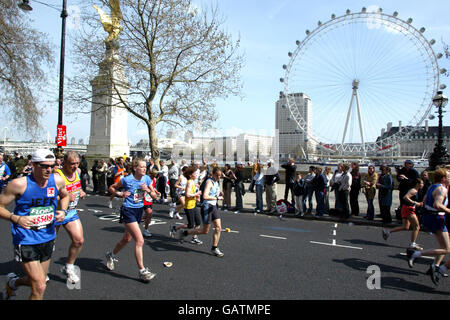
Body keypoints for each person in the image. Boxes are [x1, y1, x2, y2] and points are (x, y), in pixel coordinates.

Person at [0, 149, 69, 300]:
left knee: (39, 281)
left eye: (51, 166)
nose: (49, 170)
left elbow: (65, 195)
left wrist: (63, 211)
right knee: (40, 286)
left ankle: (13, 282)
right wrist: (16, 218)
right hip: (26, 238)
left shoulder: (57, 180)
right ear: (33, 165)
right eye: (44, 166)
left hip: (48, 236)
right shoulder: (19, 184)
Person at [105, 158, 156, 283]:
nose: (144, 169)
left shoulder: (146, 179)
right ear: (135, 168)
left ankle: (111, 255)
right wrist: (120, 194)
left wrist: (148, 190)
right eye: (142, 167)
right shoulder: (126, 180)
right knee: (140, 240)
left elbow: (154, 195)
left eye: (145, 167)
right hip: (128, 210)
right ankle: (142, 271)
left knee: (126, 239)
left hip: (139, 210)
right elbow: (111, 187)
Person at [406, 169, 450, 285]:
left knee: (443, 246)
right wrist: (448, 210)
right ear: (443, 178)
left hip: (429, 217)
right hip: (437, 218)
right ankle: (416, 254)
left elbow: (425, 201)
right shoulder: (442, 189)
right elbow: (437, 204)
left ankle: (435, 267)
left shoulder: (432, 186)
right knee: (447, 249)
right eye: (449, 176)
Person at [175, 167, 225, 257]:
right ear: (212, 174)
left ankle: (214, 248)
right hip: (207, 206)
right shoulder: (209, 182)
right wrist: (217, 198)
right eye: (217, 175)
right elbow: (205, 196)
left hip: (213, 206)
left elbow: (213, 193)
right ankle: (185, 233)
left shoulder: (217, 182)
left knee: (218, 227)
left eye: (220, 176)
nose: (218, 177)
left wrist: (219, 193)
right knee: (205, 231)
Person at [53, 151, 86, 284]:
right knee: (49, 245)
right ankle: (41, 272)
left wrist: (81, 191)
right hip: (56, 213)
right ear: (64, 162)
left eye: (77, 163)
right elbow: (48, 197)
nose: (75, 166)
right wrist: (64, 197)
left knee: (79, 241)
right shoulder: (57, 176)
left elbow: (77, 187)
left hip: (71, 212)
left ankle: (69, 267)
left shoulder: (77, 172)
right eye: (72, 164)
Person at [382, 178, 424, 251]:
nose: (422, 185)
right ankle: (412, 244)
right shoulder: (413, 190)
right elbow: (405, 197)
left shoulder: (416, 190)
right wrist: (415, 203)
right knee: (417, 226)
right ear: (417, 184)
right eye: (421, 183)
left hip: (406, 208)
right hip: (408, 209)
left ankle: (387, 232)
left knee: (406, 227)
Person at [170, 166, 203, 245]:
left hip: (193, 205)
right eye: (195, 173)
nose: (196, 175)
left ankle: (194, 238)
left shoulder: (192, 182)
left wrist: (196, 192)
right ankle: (175, 228)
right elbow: (187, 194)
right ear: (191, 175)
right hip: (188, 206)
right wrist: (197, 194)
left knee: (198, 222)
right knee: (190, 225)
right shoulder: (189, 182)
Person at [142, 169, 160, 237]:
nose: (154, 177)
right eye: (153, 175)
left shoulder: (154, 179)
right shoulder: (146, 178)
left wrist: (156, 192)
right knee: (149, 213)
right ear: (150, 174)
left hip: (150, 199)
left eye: (155, 176)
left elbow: (152, 187)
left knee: (148, 215)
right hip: (144, 198)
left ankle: (137, 220)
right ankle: (145, 230)